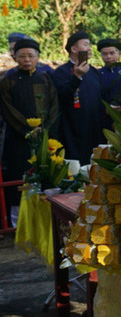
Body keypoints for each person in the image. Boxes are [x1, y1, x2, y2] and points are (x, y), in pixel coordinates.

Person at [0, 39, 59, 226]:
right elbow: (8, 109)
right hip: (18, 138)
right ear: (15, 57)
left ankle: (45, 220)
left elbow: (54, 105)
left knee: (46, 175)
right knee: (19, 178)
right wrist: (28, 129)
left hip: (44, 138)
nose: (27, 60)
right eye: (22, 56)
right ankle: (19, 224)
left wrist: (46, 128)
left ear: (38, 58)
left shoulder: (45, 78)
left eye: (31, 56)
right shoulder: (8, 81)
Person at [51, 31, 105, 165]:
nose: (89, 48)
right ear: (74, 49)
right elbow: (62, 96)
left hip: (94, 127)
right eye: (85, 44)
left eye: (90, 45)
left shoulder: (94, 71)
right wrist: (76, 77)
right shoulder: (61, 72)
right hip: (72, 129)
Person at [97, 38, 121, 104]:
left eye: (112, 53)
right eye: (104, 54)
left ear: (119, 53)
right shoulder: (96, 74)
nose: (108, 57)